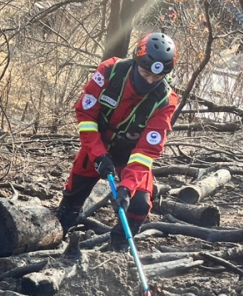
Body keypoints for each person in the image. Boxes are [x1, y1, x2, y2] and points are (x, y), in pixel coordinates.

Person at [54, 33, 179, 249]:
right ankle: (54, 237)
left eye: (156, 78)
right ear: (136, 61)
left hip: (130, 155)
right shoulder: (110, 72)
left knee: (139, 205)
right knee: (73, 197)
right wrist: (99, 156)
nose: (149, 81)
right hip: (96, 144)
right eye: (145, 73)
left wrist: (127, 188)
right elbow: (86, 115)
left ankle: (117, 249)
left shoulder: (165, 101)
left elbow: (147, 151)